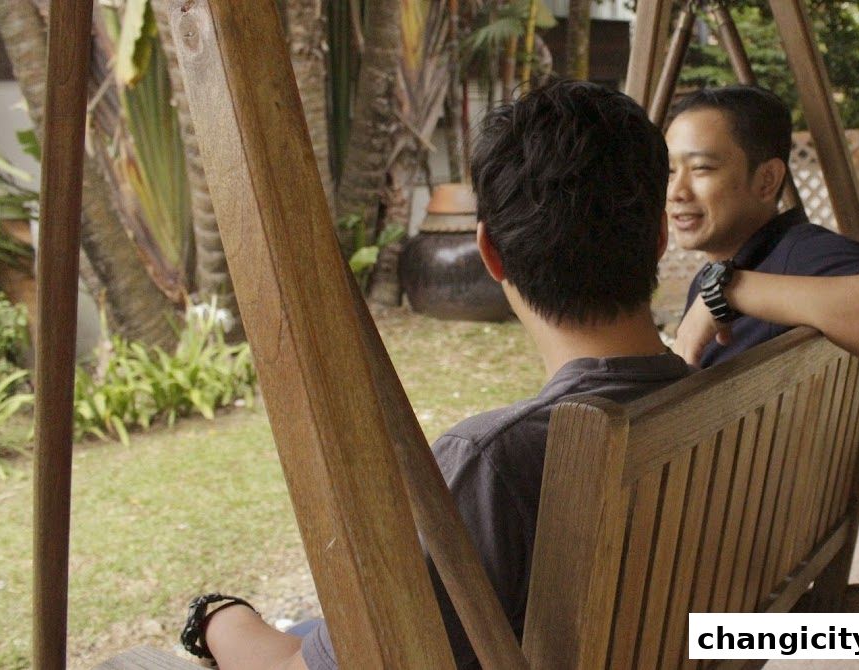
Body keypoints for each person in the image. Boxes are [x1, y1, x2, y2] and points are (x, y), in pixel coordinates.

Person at [179, 79, 691, 670]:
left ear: (490, 254)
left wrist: (218, 617)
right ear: (658, 239)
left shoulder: (497, 461)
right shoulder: (713, 394)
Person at [665, 85, 859, 368]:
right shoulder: (735, 269)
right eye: (670, 172)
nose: (676, 192)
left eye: (701, 167)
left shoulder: (798, 254)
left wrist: (729, 290)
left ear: (767, 179)